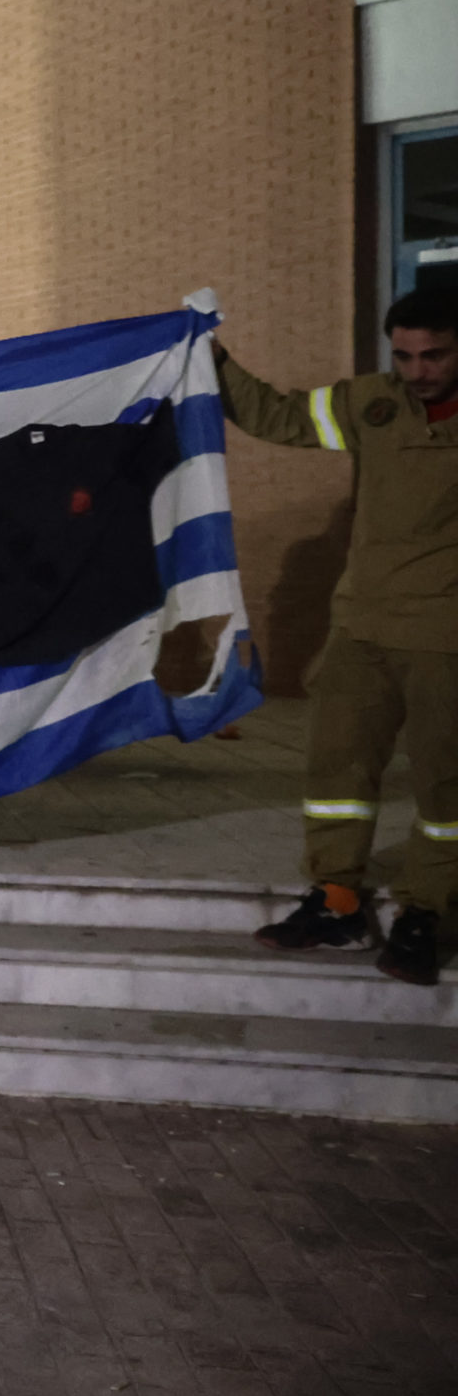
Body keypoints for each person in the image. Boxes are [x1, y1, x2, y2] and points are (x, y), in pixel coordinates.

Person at [217, 288, 458, 985]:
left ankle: (426, 911)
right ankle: (338, 900)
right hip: (360, 627)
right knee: (337, 773)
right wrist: (212, 360)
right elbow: (280, 415)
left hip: (445, 633)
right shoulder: (372, 403)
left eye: (434, 355)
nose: (417, 371)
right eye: (404, 356)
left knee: (446, 787)